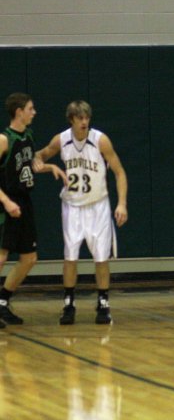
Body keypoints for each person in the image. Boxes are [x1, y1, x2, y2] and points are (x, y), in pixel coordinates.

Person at [33, 101, 129, 325]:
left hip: (98, 204)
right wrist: (41, 164)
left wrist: (122, 203)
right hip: (72, 205)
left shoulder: (100, 140)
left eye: (87, 117)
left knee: (101, 257)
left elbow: (120, 172)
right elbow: (40, 156)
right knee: (70, 256)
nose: (84, 122)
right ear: (72, 120)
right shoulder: (61, 139)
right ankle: (68, 303)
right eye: (80, 118)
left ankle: (103, 303)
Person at [0, 93, 66, 326]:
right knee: (1, 256)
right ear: (19, 111)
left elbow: (26, 167)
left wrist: (48, 167)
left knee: (29, 258)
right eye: (30, 108)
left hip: (24, 201)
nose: (34, 112)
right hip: (5, 202)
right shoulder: (4, 139)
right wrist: (6, 202)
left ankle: (3, 302)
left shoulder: (27, 136)